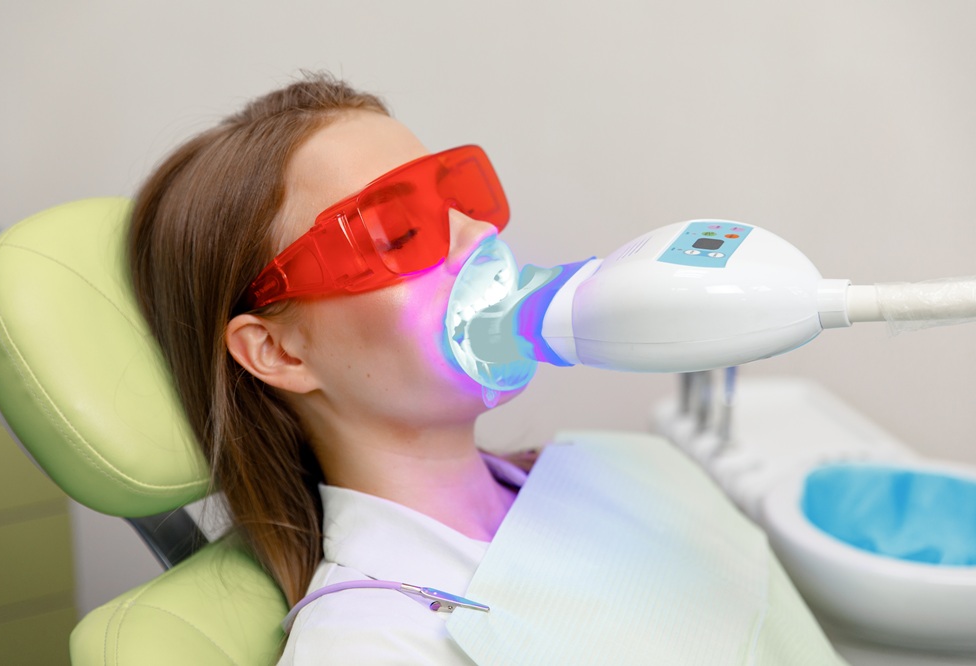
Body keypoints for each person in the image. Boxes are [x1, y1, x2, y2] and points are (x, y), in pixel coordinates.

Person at [129, 72, 847, 664]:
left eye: (457, 196)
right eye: (398, 231)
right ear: (279, 352)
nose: (479, 236)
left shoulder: (626, 467)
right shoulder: (370, 646)